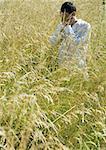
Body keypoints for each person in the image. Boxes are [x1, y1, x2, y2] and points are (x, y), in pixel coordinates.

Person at [49, 1, 91, 72]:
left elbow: (76, 44)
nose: (63, 18)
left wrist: (68, 27)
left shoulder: (85, 26)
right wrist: (59, 30)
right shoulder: (61, 25)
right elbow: (52, 43)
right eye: (62, 16)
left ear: (73, 14)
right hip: (62, 65)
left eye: (66, 16)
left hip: (77, 65)